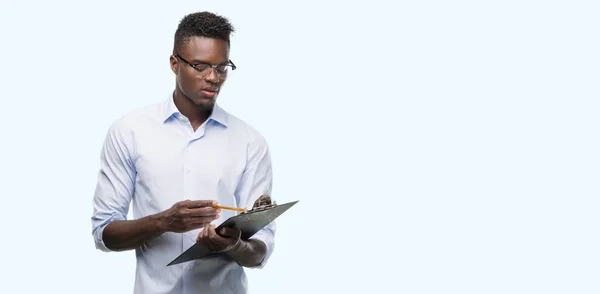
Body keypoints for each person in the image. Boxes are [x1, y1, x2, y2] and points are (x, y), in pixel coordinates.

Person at [91, 11, 276, 294]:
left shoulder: (250, 141)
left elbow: (260, 250)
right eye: (200, 66)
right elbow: (104, 233)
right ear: (175, 63)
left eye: (222, 67)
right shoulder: (129, 131)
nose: (213, 78)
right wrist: (164, 221)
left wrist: (233, 244)